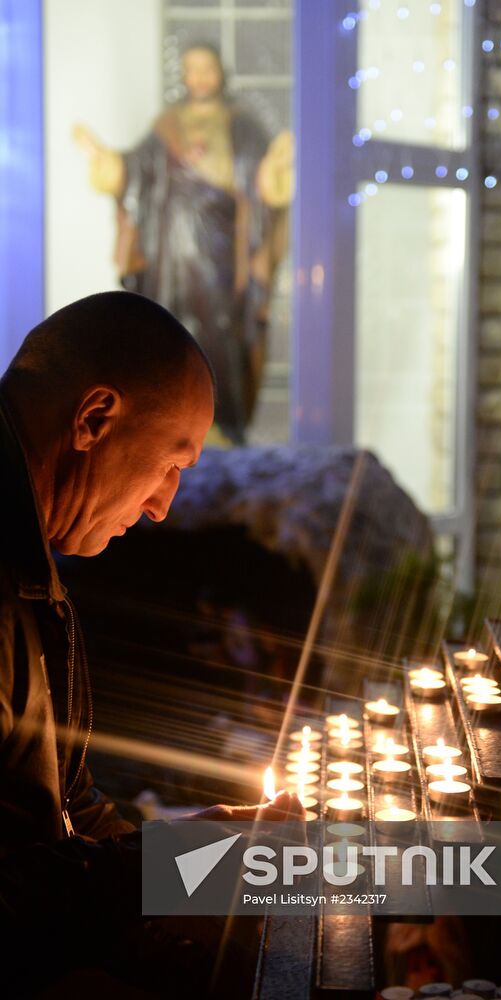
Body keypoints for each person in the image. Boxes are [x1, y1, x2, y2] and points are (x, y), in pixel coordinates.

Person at [0, 291, 301, 992]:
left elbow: (65, 812)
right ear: (95, 418)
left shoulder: (32, 558)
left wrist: (198, 847)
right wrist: (174, 864)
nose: (163, 506)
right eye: (171, 462)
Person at [74, 44, 293, 444]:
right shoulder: (167, 125)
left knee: (220, 327)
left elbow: (260, 181)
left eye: (206, 68)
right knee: (171, 326)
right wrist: (109, 161)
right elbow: (136, 170)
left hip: (220, 246)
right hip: (170, 248)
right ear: (185, 76)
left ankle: (222, 419)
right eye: (192, 69)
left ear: (220, 73)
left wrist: (273, 169)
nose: (200, 77)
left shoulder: (242, 125)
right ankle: (171, 417)